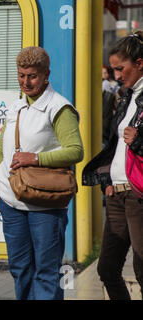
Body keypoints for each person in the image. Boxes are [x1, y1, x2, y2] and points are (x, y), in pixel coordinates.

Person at [0, 46, 84, 300]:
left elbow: (76, 151)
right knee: (20, 269)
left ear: (46, 74)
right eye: (21, 75)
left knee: (46, 271)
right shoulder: (16, 106)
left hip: (45, 205)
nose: (26, 81)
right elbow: (2, 146)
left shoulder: (59, 107)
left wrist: (36, 158)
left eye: (32, 75)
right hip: (11, 202)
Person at [82, 31, 143, 300]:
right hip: (117, 194)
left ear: (140, 63)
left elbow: (133, 142)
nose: (117, 75)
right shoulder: (123, 96)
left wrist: (140, 140)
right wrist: (106, 183)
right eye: (114, 69)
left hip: (138, 194)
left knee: (142, 270)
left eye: (121, 68)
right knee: (107, 269)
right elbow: (111, 144)